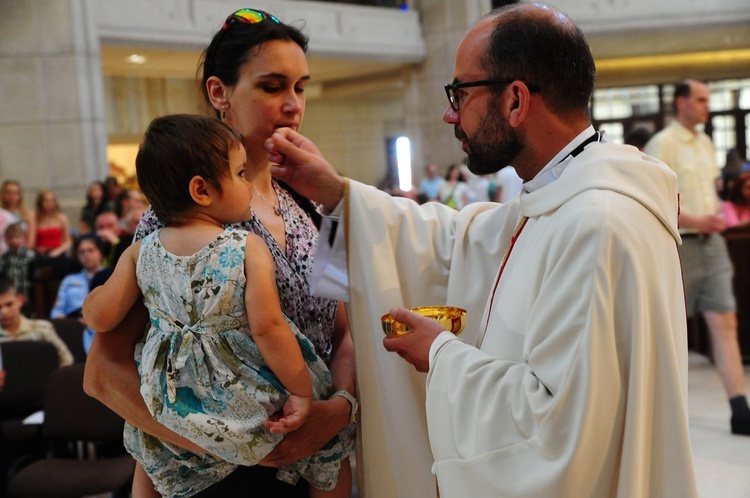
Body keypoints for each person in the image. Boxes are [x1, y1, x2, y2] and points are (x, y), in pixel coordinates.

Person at [266, 3, 698, 496]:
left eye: (460, 92)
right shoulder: (560, 196)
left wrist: (441, 355)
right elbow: (458, 240)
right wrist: (340, 197)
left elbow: (559, 429)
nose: (450, 113)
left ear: (515, 100)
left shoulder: (595, 221)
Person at [83, 8, 357, 498]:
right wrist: (222, 441)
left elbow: (341, 332)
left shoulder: (319, 205)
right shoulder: (176, 219)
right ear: (219, 93)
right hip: (215, 475)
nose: (293, 104)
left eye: (300, 86)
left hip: (309, 461)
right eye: (273, 86)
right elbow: (102, 373)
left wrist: (337, 409)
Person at [645, 79, 750, 436]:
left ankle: (739, 409)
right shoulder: (663, 145)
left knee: (725, 321)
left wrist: (715, 215)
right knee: (668, 329)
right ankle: (659, 414)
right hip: (679, 245)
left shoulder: (706, 142)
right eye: (701, 99)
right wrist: (694, 220)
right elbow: (655, 202)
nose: (707, 105)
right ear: (681, 103)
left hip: (713, 243)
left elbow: (707, 192)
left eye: (708, 99)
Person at [0, 275, 73, 367]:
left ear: (20, 300)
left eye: (9, 304)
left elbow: (66, 360)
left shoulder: (42, 329)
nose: (3, 312)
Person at [49, 234, 105, 319]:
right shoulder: (69, 280)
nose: (86, 255)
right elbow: (57, 311)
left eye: (90, 250)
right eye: (81, 252)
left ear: (100, 253)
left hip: (102, 322)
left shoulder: (111, 276)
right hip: (74, 323)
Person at [0, 223, 36, 316]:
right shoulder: (4, 258)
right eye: (10, 238)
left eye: (17, 237)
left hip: (26, 293)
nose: (13, 240)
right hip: (10, 295)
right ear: (6, 239)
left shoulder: (30, 256)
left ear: (22, 238)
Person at [0, 180, 34, 246]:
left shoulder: (28, 214)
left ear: (19, 195)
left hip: (22, 252)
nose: (11, 196)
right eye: (8, 193)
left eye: (14, 193)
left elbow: (31, 239)